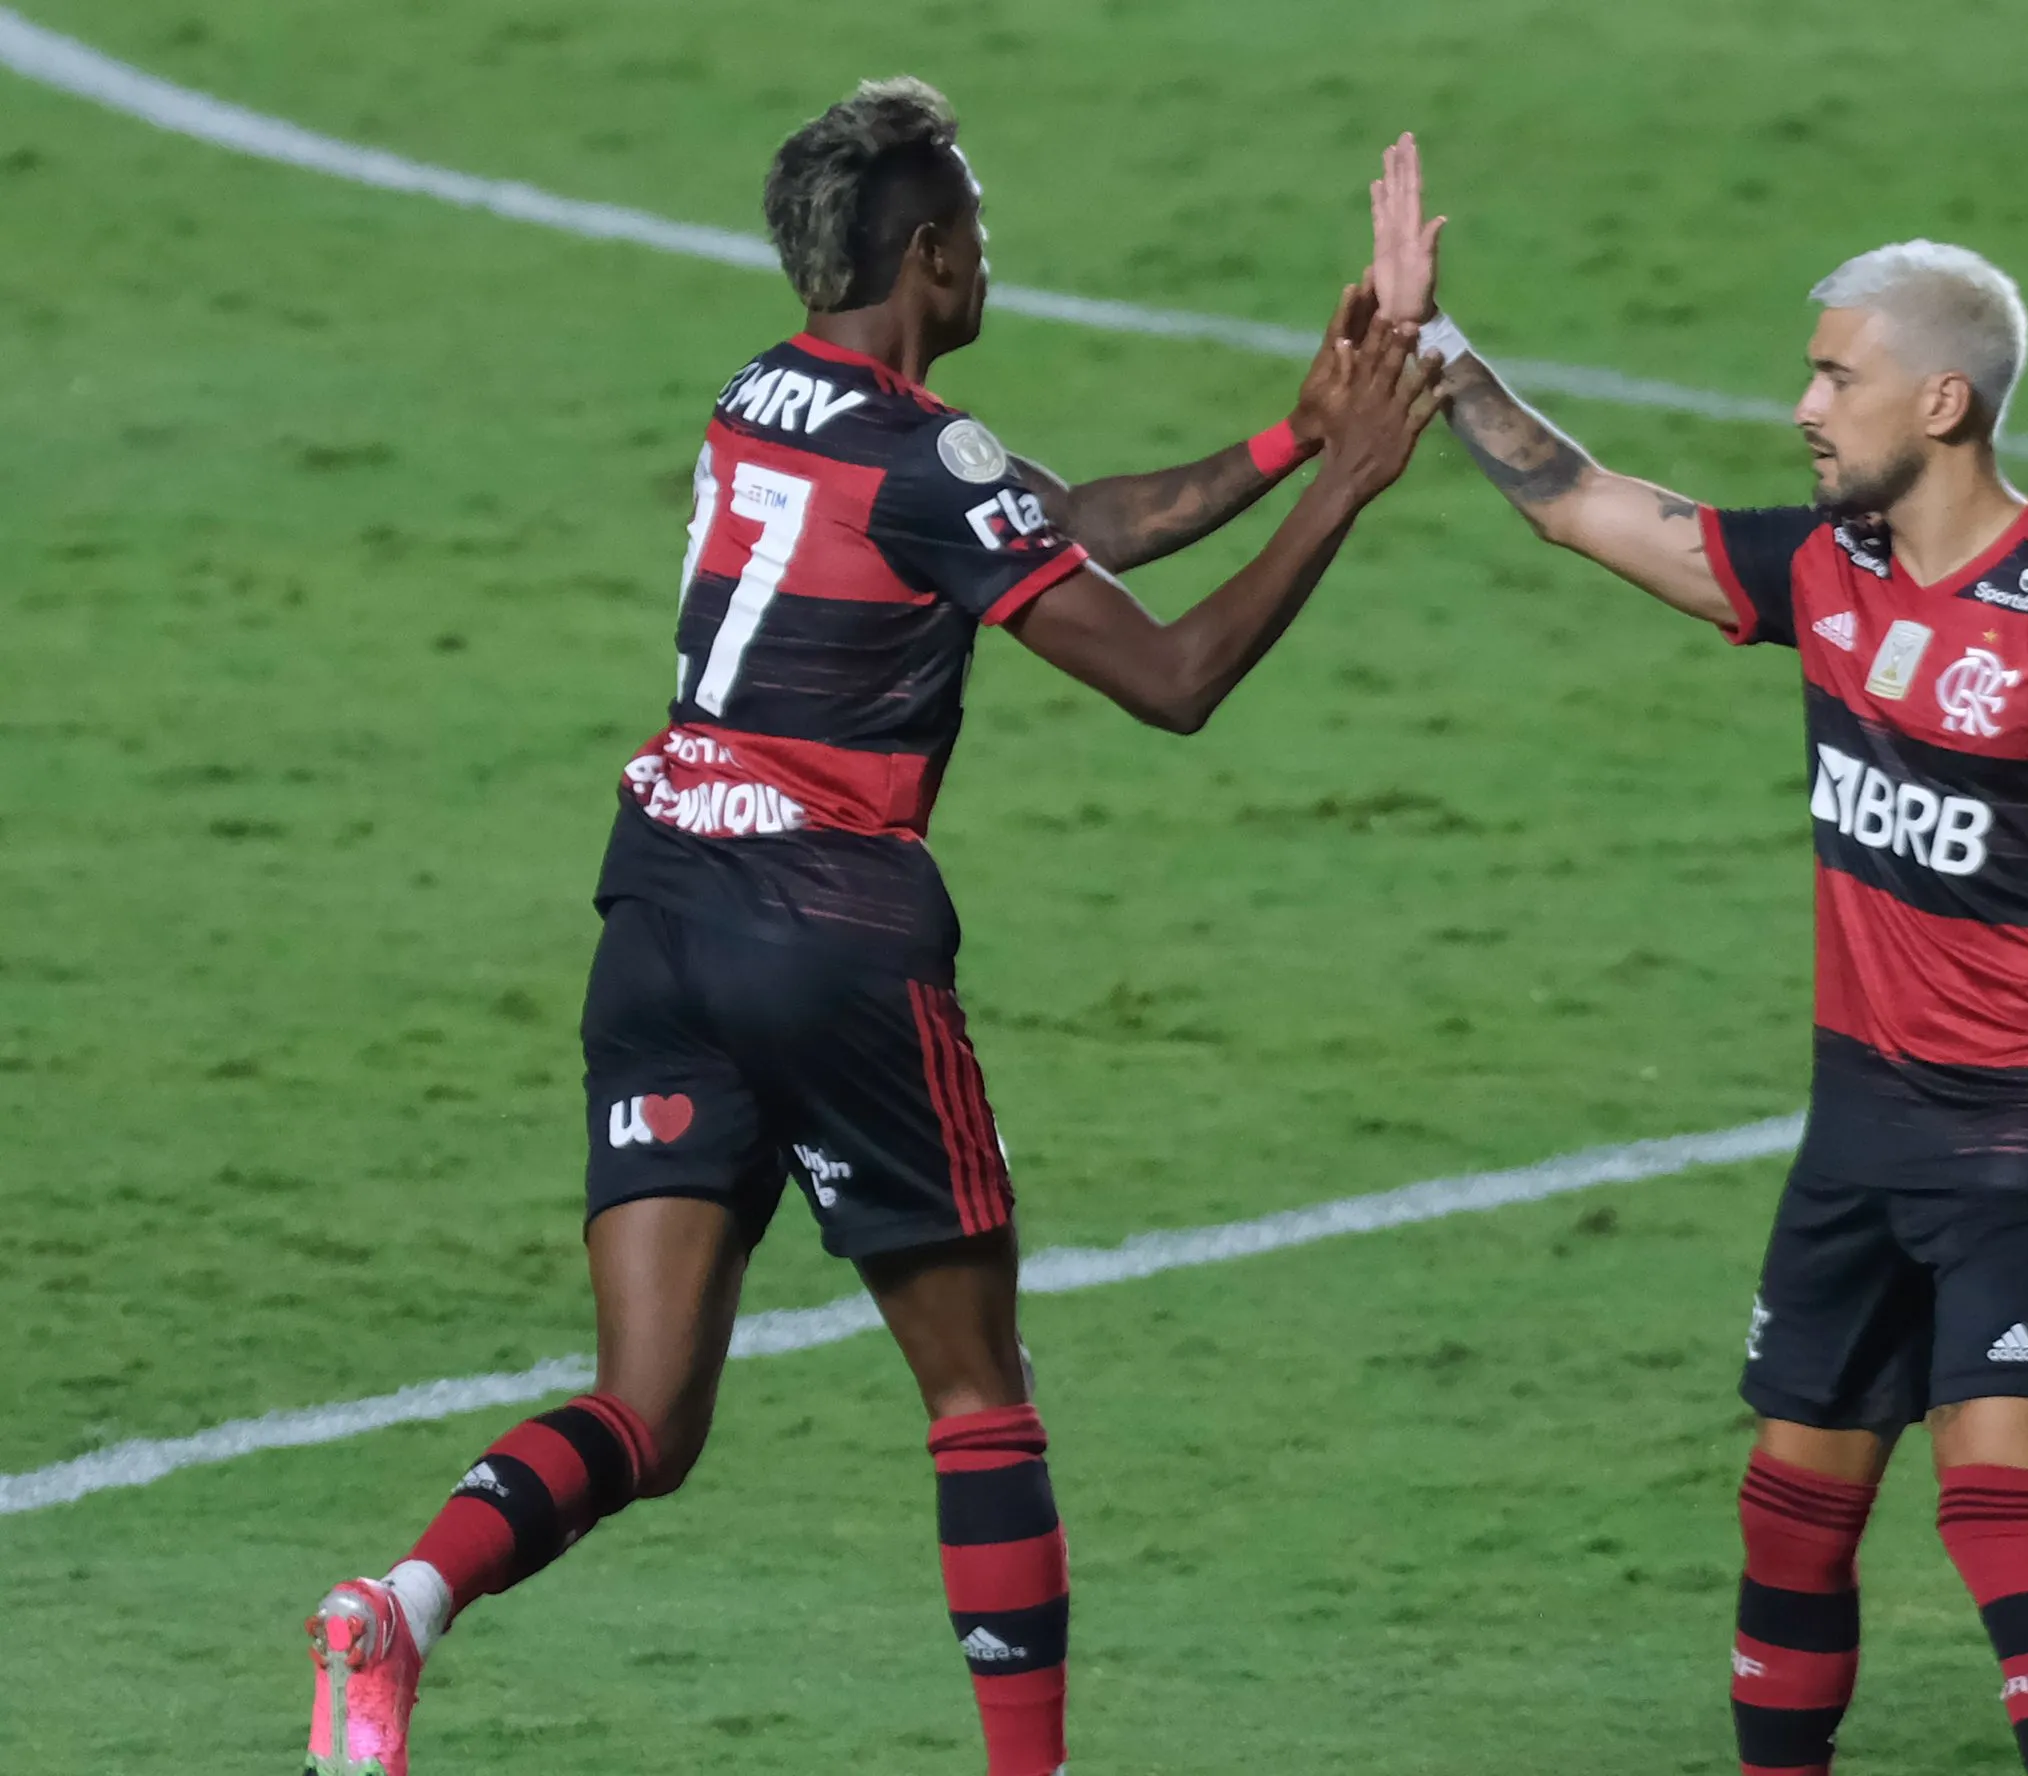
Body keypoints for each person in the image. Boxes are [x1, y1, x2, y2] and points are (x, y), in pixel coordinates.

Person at [301, 80, 1441, 1776]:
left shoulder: (767, 398)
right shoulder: (924, 462)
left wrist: (1286, 438)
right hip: (828, 937)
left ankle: (399, 1609)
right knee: (979, 1396)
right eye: (974, 222)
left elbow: (1065, 523)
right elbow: (1176, 679)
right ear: (929, 252)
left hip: (661, 910)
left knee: (647, 1411)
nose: (992, 250)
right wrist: (1349, 489)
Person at [1368, 139, 2028, 1774]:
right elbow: (1581, 504)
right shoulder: (1827, 571)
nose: (1803, 403)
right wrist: (1436, 349)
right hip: (1858, 1126)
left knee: (1997, 1511)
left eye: (1836, 374)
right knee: (1792, 1519)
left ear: (1940, 404)